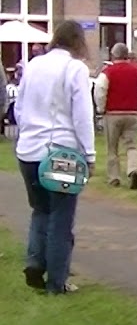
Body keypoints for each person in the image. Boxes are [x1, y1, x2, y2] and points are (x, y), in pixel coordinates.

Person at [12, 20, 95, 295]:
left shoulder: (33, 65)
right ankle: (57, 282)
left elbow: (20, 107)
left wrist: (27, 131)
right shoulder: (75, 69)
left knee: (40, 210)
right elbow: (82, 115)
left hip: (29, 150)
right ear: (77, 41)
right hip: (62, 150)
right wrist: (89, 153)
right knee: (61, 217)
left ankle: (35, 262)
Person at [93, 42, 137, 188]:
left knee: (112, 147)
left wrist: (101, 108)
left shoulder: (108, 72)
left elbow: (100, 90)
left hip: (113, 113)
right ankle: (133, 169)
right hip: (132, 113)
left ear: (113, 55)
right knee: (132, 145)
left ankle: (114, 177)